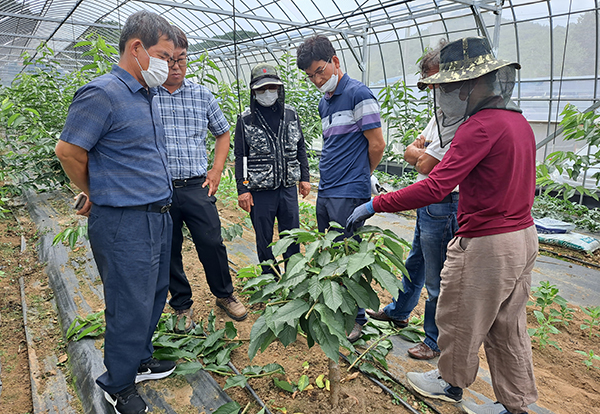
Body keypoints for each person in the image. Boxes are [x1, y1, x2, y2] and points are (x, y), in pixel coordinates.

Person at [347, 37, 538, 414]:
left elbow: (435, 186)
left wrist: (376, 203)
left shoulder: (478, 127)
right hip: (523, 237)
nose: (444, 96)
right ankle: (513, 404)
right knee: (507, 326)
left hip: (487, 244)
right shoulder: (517, 123)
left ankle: (449, 384)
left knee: (459, 316)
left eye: (447, 88)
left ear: (471, 86)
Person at [55, 11, 178, 414]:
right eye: (163, 54)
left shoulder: (145, 93)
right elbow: (69, 151)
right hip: (124, 220)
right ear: (137, 48)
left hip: (156, 215)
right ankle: (118, 384)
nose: (169, 64)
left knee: (154, 294)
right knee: (128, 302)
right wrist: (97, 191)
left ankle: (139, 358)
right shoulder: (102, 93)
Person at [366, 40, 464, 360]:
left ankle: (434, 340)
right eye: (429, 85)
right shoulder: (442, 115)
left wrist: (420, 154)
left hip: (447, 203)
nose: (435, 90)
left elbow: (423, 162)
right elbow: (411, 151)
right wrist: (419, 153)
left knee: (438, 278)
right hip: (429, 204)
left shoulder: (461, 119)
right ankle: (399, 311)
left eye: (438, 82)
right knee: (416, 262)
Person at [155, 27, 247, 329]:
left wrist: (217, 170)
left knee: (211, 241)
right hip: (159, 188)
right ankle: (181, 304)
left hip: (196, 185)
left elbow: (222, 133)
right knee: (168, 248)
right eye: (169, 60)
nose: (177, 66)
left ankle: (225, 294)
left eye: (182, 59)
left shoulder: (201, 95)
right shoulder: (146, 94)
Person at [296, 35, 385, 343]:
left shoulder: (358, 94)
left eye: (320, 71)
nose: (317, 79)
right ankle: (336, 308)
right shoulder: (325, 102)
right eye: (310, 76)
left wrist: (362, 175)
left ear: (335, 61)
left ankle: (357, 317)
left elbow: (377, 144)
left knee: (349, 255)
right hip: (328, 188)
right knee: (329, 250)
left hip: (349, 189)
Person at [234, 63, 310, 278]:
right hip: (260, 190)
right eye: (261, 89)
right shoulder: (245, 120)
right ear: (253, 91)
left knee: (292, 236)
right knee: (264, 238)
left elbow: (300, 147)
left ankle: (293, 276)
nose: (267, 93)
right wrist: (243, 189)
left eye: (272, 88)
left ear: (279, 89)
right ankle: (271, 278)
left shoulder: (291, 114)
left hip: (287, 188)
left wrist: (304, 178)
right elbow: (241, 157)